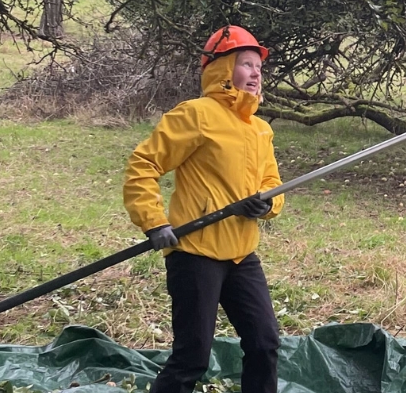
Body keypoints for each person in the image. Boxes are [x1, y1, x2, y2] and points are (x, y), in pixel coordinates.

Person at [122, 25, 286, 393]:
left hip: (243, 255)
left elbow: (275, 186)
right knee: (192, 356)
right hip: (195, 254)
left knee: (265, 343)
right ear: (222, 69)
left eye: (258, 66)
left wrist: (266, 204)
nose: (256, 73)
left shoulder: (260, 129)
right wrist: (154, 222)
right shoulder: (196, 115)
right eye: (246, 64)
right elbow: (143, 165)